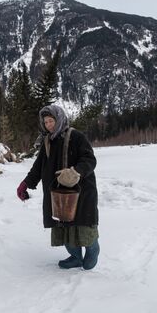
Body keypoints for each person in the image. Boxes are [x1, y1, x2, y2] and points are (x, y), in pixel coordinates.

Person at [16, 104, 100, 270]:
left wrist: (75, 172)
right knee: (64, 225)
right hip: (58, 193)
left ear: (59, 119)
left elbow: (90, 160)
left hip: (81, 191)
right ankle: (75, 257)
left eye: (51, 121)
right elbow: (38, 167)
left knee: (84, 225)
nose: (48, 125)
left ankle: (93, 249)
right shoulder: (47, 142)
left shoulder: (76, 136)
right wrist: (26, 183)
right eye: (45, 122)